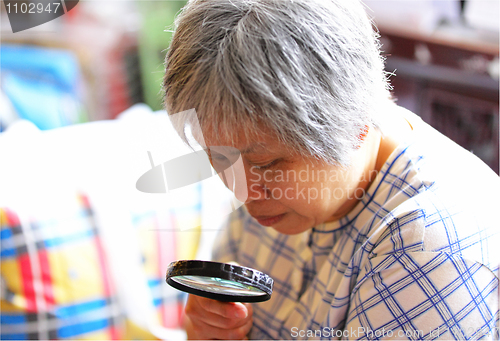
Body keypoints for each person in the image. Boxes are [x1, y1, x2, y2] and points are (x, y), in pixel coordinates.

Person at [163, 0, 500, 339]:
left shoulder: (425, 246)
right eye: (219, 157)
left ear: (355, 125)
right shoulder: (270, 179)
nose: (240, 191)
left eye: (267, 164)